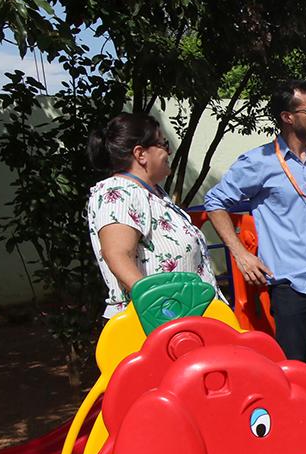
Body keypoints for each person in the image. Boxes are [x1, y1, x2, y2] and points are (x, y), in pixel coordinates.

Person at [203, 80, 306, 408]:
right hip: (290, 283)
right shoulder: (259, 162)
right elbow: (215, 203)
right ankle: (303, 442)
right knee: (292, 371)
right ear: (287, 117)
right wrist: (240, 255)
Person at [86, 112, 221, 318]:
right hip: (155, 324)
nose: (170, 151)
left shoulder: (152, 193)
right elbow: (117, 254)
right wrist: (159, 308)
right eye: (163, 144)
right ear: (140, 154)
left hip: (183, 319)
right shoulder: (120, 192)